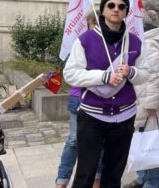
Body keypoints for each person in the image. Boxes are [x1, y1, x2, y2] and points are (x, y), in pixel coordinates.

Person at [64, 0, 148, 188]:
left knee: (114, 174)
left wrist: (131, 71)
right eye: (111, 5)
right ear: (102, 11)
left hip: (124, 116)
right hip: (93, 116)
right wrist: (102, 76)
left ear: (126, 12)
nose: (116, 9)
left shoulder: (135, 41)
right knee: (86, 172)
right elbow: (70, 74)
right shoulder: (86, 39)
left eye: (121, 6)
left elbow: (145, 73)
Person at [123, 10, 159, 188]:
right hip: (141, 100)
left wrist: (151, 104)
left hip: (151, 105)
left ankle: (153, 182)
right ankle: (143, 178)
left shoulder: (149, 43)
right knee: (142, 142)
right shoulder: (140, 42)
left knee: (151, 144)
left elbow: (156, 75)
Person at [55, 10, 103, 188]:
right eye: (95, 23)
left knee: (100, 143)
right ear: (89, 24)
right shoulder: (82, 42)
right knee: (74, 141)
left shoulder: (111, 45)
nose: (98, 27)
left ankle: (97, 180)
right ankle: (62, 181)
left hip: (101, 101)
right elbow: (73, 73)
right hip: (80, 98)